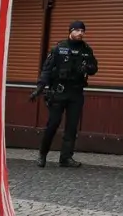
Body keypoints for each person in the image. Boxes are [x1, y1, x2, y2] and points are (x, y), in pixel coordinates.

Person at [32, 20, 98, 167]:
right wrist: (40, 87)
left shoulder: (86, 49)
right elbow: (47, 70)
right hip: (59, 92)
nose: (80, 33)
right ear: (70, 31)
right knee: (53, 124)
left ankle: (66, 158)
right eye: (77, 30)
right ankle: (42, 155)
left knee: (72, 126)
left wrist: (87, 68)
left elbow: (94, 68)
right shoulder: (59, 48)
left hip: (76, 93)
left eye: (82, 31)